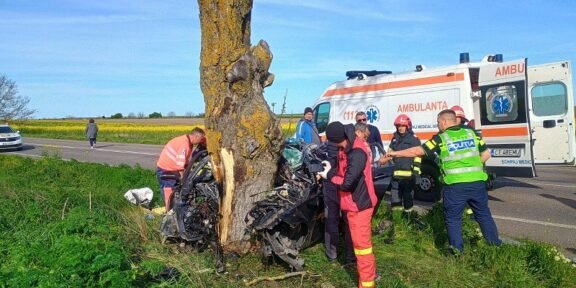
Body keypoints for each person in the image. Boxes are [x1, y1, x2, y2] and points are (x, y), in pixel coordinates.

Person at [386, 109, 501, 254]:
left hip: (455, 186)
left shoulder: (441, 138)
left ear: (445, 121)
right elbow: (486, 154)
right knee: (483, 215)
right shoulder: (471, 134)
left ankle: (457, 251)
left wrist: (394, 153)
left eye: (438, 122)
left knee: (453, 219)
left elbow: (417, 151)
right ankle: (495, 247)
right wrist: (470, 167)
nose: (437, 125)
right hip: (477, 183)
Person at [319, 121, 378, 288]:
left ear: (338, 139)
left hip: (359, 206)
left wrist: (328, 176)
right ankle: (368, 274)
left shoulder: (357, 152)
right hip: (351, 205)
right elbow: (342, 170)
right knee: (360, 246)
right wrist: (331, 168)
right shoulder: (346, 146)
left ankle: (367, 283)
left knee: (362, 248)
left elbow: (347, 183)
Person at [156, 127, 206, 211]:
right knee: (169, 191)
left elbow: (185, 162)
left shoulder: (186, 141)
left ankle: (172, 209)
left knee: (173, 191)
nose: (200, 142)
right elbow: (180, 164)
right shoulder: (184, 144)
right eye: (200, 139)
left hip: (169, 168)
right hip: (167, 170)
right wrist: (184, 179)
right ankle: (170, 213)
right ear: (196, 137)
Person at [380, 114, 421, 213]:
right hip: (395, 177)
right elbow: (389, 154)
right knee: (395, 201)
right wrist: (383, 161)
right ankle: (397, 220)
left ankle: (408, 219)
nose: (400, 128)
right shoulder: (394, 139)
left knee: (408, 201)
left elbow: (418, 158)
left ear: (408, 126)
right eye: (398, 126)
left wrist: (416, 174)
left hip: (408, 176)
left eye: (402, 126)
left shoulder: (414, 139)